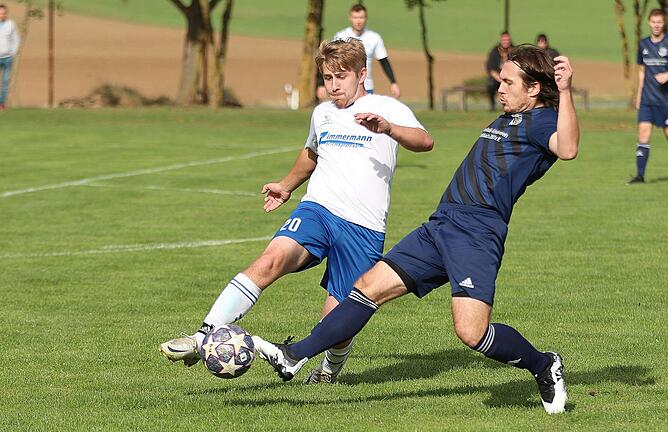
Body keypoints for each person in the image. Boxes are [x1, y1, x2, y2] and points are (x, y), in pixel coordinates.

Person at [254, 45, 580, 415]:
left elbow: (567, 149)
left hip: (476, 233)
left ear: (534, 88)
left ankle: (543, 365)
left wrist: (565, 90)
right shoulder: (509, 117)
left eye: (507, 82)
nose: (500, 88)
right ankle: (293, 356)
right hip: (441, 223)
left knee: (471, 333)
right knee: (367, 288)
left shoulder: (543, 122)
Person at [160, 38, 433, 384]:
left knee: (339, 320)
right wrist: (287, 186)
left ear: (362, 74)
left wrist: (388, 128)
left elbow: (425, 142)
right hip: (318, 209)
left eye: (341, 77)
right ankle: (203, 336)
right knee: (269, 260)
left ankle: (327, 373)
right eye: (327, 78)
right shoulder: (323, 113)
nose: (333, 86)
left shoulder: (387, 108)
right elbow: (311, 155)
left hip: (363, 227)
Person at [628, 9, 668, 185]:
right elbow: (641, 70)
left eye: (659, 22)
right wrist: (638, 95)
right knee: (643, 135)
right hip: (647, 99)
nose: (656, 25)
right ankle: (640, 176)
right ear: (649, 22)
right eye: (653, 22)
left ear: (664, 23)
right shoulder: (643, 44)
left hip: (666, 100)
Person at [317, 4, 400, 101]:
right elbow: (328, 60)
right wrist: (321, 84)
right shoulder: (341, 36)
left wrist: (393, 82)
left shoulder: (374, 38)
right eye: (355, 17)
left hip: (366, 88)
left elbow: (384, 61)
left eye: (361, 17)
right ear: (350, 18)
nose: (358, 21)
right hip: (346, 88)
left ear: (366, 18)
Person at [485, 31, 513, 111]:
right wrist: (501, 80)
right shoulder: (494, 51)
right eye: (504, 40)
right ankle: (492, 105)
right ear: (501, 40)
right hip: (497, 78)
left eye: (507, 40)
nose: (506, 41)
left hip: (511, 77)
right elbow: (491, 69)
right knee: (490, 84)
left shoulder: (514, 50)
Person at [0, 4, 20, 111]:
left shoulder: (10, 24)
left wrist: (13, 52)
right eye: (0, 13)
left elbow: (16, 39)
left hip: (7, 58)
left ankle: (1, 104)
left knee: (5, 82)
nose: (1, 15)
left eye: (3, 13)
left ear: (6, 14)